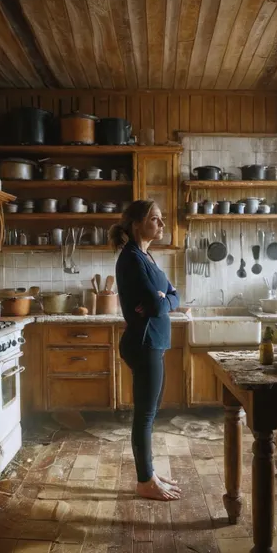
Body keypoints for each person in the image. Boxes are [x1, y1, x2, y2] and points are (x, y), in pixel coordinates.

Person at [108, 200, 182, 501]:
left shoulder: (147, 256)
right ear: (138, 223)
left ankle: (148, 472)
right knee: (144, 416)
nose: (161, 225)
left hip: (154, 342)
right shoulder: (131, 259)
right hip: (144, 343)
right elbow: (153, 305)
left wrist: (165, 300)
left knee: (150, 414)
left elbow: (173, 297)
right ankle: (144, 481)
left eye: (161, 219)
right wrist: (162, 302)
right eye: (155, 219)